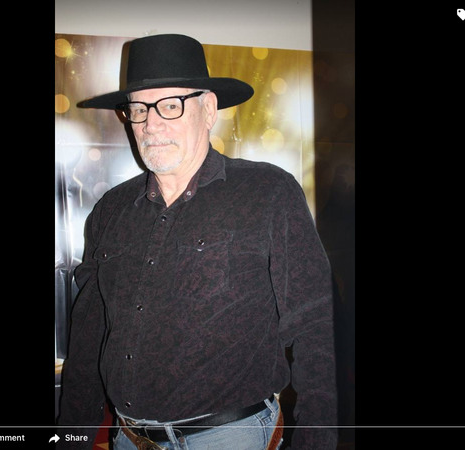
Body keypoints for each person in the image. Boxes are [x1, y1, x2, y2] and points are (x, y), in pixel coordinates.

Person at [57, 34, 337, 450]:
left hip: (229, 438)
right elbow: (89, 336)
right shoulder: (111, 210)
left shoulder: (268, 193)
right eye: (138, 109)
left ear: (208, 110)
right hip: (128, 438)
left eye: (170, 105)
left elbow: (316, 327)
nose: (150, 124)